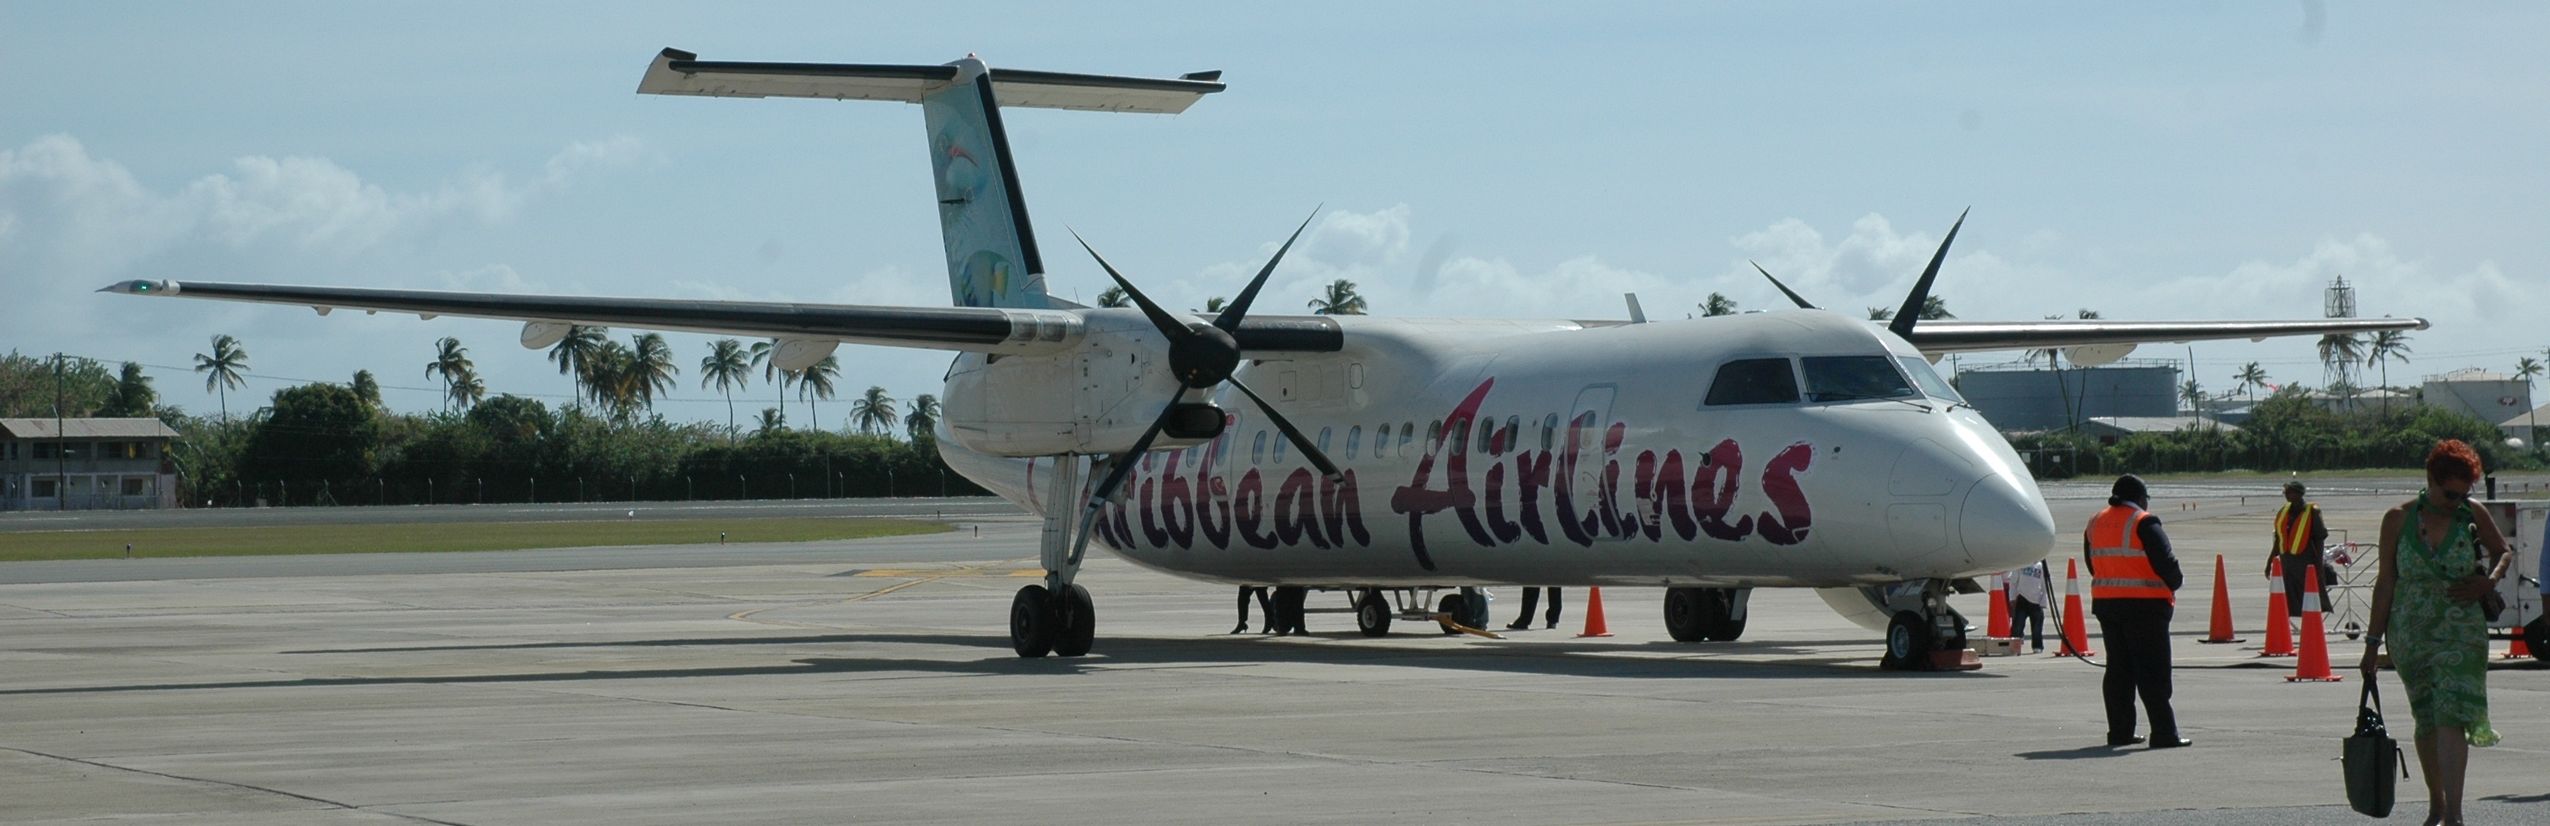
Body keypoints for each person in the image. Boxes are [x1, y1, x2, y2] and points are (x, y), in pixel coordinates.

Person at [2360, 440, 2511, 826]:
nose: (2455, 500)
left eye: (2463, 493)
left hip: (2462, 631)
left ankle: (2456, 815)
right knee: (2426, 720)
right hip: (2411, 633)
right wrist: (2373, 643)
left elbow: (2502, 551)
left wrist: (2488, 582)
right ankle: (2437, 803)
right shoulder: (2398, 519)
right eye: (2449, 493)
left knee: (2451, 715)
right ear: (2430, 479)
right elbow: (2385, 582)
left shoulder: (2470, 513)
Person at [2083, 474, 2188, 749]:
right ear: (2141, 498)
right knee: (2152, 671)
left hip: (2107, 603)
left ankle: (2120, 732)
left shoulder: (2095, 522)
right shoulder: (2144, 521)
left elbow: (2092, 563)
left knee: (2119, 670)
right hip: (2146, 605)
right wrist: (2175, 583)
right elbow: (2166, 562)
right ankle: (2164, 733)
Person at [2266, 479, 2335, 616]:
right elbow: (2279, 539)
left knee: (2311, 595)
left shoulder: (2312, 512)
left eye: (2290, 492)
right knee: (2290, 598)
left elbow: (2319, 539)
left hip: (2306, 561)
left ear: (2299, 494)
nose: (2286, 494)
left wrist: (2318, 564)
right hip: (2288, 563)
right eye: (2285, 492)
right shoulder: (2283, 511)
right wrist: (2269, 562)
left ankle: (2312, 621)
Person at [2007, 559, 2049, 652]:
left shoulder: (2040, 565)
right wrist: (2012, 598)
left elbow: (2044, 584)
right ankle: (2015, 646)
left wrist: (2043, 602)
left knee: (2037, 628)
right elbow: (2013, 582)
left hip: (2036, 601)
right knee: (2017, 625)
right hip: (2022, 598)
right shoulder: (2020, 564)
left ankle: (2037, 646)